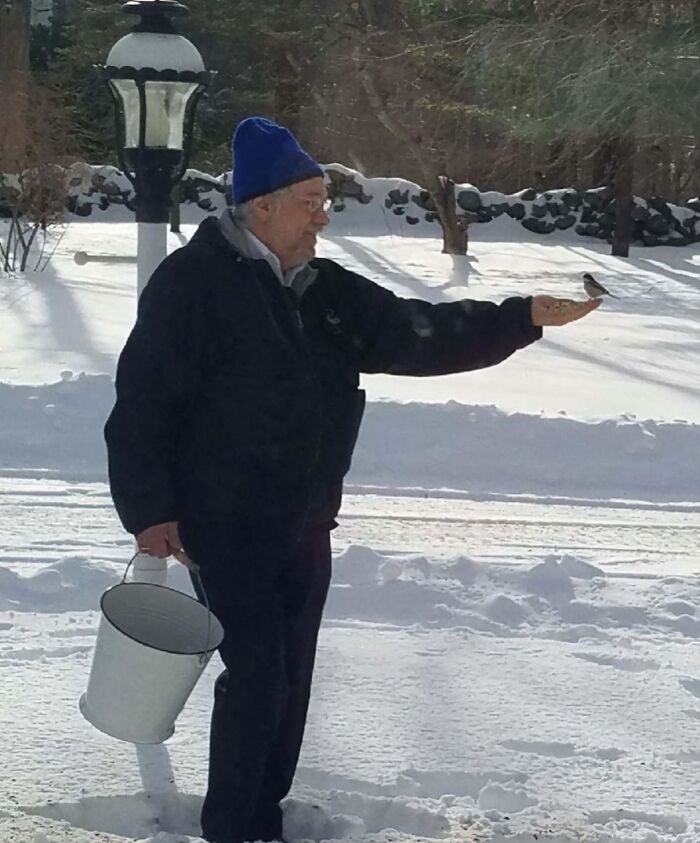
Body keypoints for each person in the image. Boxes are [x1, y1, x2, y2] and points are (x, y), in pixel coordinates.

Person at [104, 116, 599, 843]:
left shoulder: (323, 289)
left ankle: (261, 817)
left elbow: (414, 332)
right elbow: (142, 403)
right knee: (259, 675)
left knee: (291, 681)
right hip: (224, 523)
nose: (323, 216)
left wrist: (520, 316)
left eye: (323, 201)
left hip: (304, 522)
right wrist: (150, 510)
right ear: (261, 205)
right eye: (309, 201)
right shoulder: (194, 285)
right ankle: (233, 827)